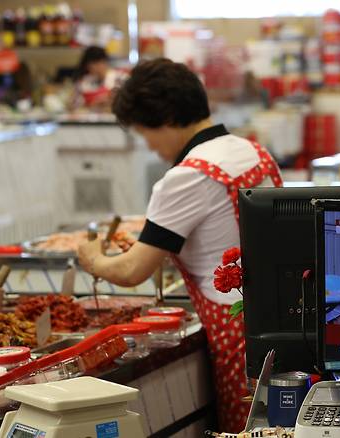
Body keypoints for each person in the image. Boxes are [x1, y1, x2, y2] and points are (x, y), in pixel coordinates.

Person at [77, 59, 283, 433]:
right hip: (278, 321)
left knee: (244, 428)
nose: (150, 146)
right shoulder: (253, 151)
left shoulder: (186, 177)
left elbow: (130, 270)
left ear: (168, 117)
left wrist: (94, 259)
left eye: (145, 132)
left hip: (234, 331)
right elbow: (224, 235)